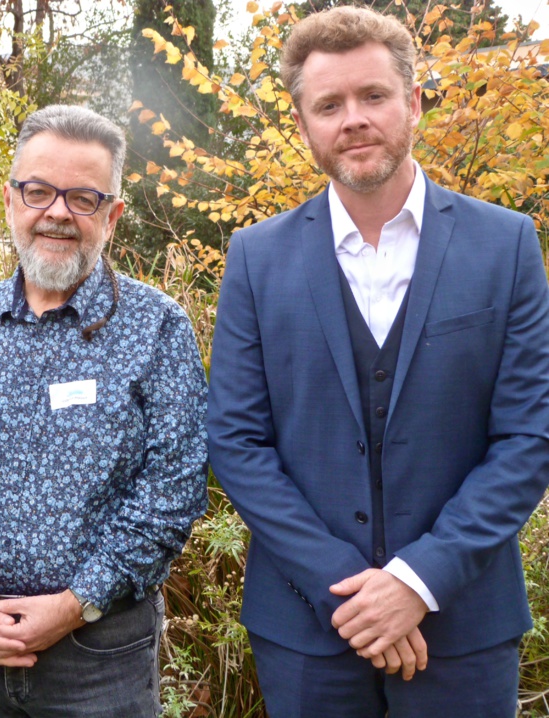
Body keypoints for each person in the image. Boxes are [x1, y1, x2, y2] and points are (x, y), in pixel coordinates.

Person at [206, 6, 549, 717]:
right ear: (302, 125)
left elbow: (527, 437)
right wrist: (351, 591)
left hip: (461, 626)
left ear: (414, 102)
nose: (352, 118)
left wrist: (416, 581)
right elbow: (236, 441)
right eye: (327, 105)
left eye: (373, 96)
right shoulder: (255, 258)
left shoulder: (506, 245)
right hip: (306, 627)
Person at [0, 104, 209, 717]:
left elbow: (174, 487)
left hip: (99, 657)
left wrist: (74, 603)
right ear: (10, 199)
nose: (57, 212)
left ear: (112, 216)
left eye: (83, 198)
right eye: (39, 191)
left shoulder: (157, 328)